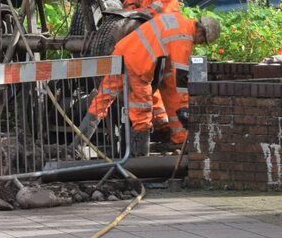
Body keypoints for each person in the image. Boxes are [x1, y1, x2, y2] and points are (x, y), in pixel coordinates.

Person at [77, 11, 221, 157]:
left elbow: (166, 60)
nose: (199, 43)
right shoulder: (184, 39)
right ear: (201, 32)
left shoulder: (175, 18)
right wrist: (184, 109)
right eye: (202, 41)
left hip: (121, 53)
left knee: (102, 99)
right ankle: (139, 157)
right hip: (138, 64)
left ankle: (77, 145)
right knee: (142, 111)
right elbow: (181, 78)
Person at [124, 0, 181, 136]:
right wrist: (132, 5)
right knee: (152, 86)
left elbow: (148, 15)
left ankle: (180, 136)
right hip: (155, 49)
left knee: (170, 92)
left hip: (170, 51)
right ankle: (162, 124)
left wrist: (132, 11)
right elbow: (130, 0)